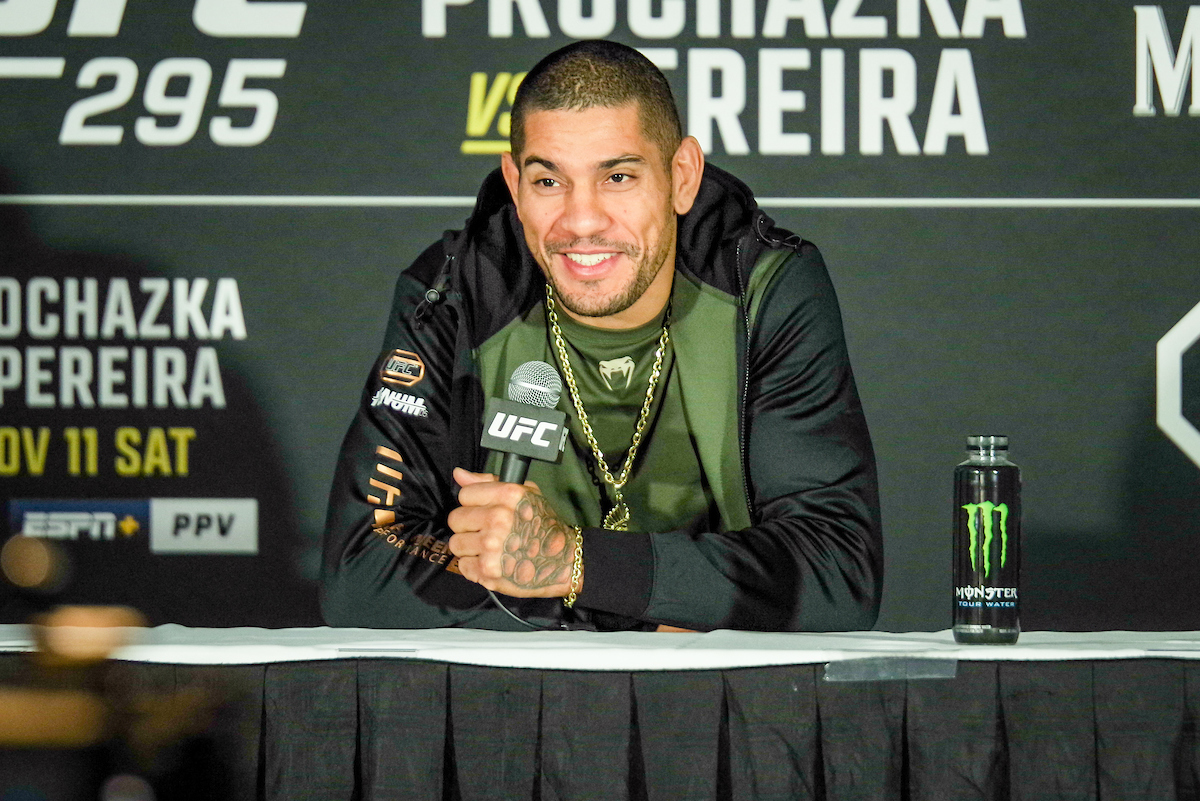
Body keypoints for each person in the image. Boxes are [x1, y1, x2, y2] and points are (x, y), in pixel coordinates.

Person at [320, 40, 882, 632]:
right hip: (524, 701)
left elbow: (837, 574)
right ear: (513, 185)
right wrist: (618, 612)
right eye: (547, 181)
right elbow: (364, 569)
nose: (581, 221)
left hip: (722, 702)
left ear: (682, 177)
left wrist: (573, 563)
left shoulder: (760, 287)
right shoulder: (457, 288)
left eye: (617, 176)